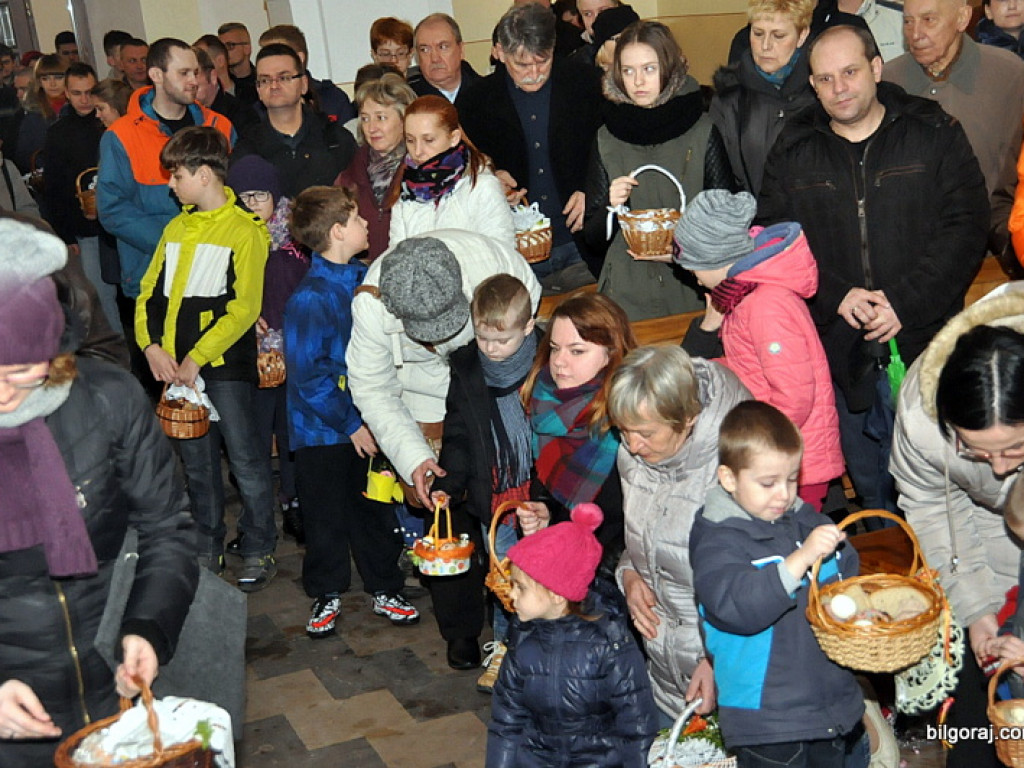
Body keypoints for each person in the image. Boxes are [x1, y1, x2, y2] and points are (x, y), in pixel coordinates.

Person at [758, 24, 989, 519]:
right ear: (812, 85)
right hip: (840, 349)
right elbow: (774, 237)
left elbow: (967, 225)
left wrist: (905, 301)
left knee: (943, 490)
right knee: (873, 495)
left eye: (850, 72)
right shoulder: (793, 147)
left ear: (876, 69)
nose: (839, 88)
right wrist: (834, 295)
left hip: (927, 343)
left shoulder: (933, 131)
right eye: (825, 79)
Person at [0, 215, 197, 768]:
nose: (4, 394)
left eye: (21, 370)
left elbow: (166, 528)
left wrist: (148, 628)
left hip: (119, 689)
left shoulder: (107, 398)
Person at [347, 230, 541, 670]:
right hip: (420, 404)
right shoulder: (371, 305)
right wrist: (414, 457)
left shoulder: (493, 263)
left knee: (495, 510)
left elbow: (524, 330)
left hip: (488, 387)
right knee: (445, 516)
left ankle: (511, 619)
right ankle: (461, 630)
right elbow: (373, 388)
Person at [134, 126, 277, 592]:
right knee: (196, 463)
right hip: (178, 371)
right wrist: (152, 346)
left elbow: (244, 308)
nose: (170, 184)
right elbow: (148, 293)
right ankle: (207, 542)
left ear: (204, 174)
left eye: (176, 175)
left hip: (223, 368)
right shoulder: (176, 228)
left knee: (246, 459)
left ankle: (259, 543)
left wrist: (197, 357)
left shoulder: (245, 231)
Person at [890, 287, 1024, 768]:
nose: (1002, 468)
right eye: (977, 450)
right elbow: (932, 507)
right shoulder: (921, 418)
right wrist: (977, 613)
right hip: (979, 533)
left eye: (1015, 448)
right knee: (977, 727)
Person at [691, 400, 864, 766]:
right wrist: (800, 560)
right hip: (767, 721)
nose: (784, 494)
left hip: (829, 705)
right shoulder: (718, 541)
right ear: (729, 479)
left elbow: (846, 572)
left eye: (791, 479)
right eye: (768, 483)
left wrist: (855, 601)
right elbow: (737, 607)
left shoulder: (806, 521)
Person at [285, 185, 419, 639]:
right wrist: (352, 423)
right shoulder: (311, 298)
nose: (367, 224)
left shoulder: (366, 279)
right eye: (358, 218)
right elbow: (309, 376)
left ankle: (385, 585)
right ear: (338, 232)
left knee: (374, 506)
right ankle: (326, 591)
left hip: (368, 420)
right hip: (322, 431)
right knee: (324, 514)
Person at [675, 190, 843, 512]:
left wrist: (751, 446)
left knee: (789, 537)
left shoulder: (766, 305)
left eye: (693, 266)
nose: (693, 277)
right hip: (775, 455)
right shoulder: (746, 296)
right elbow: (751, 367)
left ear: (716, 259)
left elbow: (794, 396)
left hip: (788, 462)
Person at [607, 345, 749, 721]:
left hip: (732, 677)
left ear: (687, 418)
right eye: (623, 431)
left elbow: (762, 579)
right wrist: (630, 574)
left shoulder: (739, 464)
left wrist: (717, 658)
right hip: (665, 668)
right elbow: (645, 536)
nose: (632, 446)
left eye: (645, 433)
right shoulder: (635, 456)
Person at [430, 274, 540, 693]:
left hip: (540, 486)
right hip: (493, 490)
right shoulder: (467, 368)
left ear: (528, 327)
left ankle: (540, 649)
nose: (491, 349)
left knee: (543, 571)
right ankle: (505, 647)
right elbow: (458, 433)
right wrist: (450, 481)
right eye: (483, 338)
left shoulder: (547, 360)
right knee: (503, 574)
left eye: (502, 340)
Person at [487, 503, 659, 767]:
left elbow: (637, 727)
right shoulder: (522, 640)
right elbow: (506, 723)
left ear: (557, 593)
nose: (511, 594)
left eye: (520, 587)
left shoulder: (610, 645)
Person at [461, 3, 603, 291]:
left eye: (543, 61)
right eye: (522, 65)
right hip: (514, 250)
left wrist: (591, 188)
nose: (535, 73)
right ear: (500, 52)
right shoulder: (474, 101)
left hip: (580, 243)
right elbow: (466, 164)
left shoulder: (586, 83)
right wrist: (490, 178)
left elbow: (611, 147)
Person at [582, 19, 708, 320]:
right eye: (628, 71)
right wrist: (612, 206)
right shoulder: (606, 135)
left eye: (649, 69)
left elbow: (726, 218)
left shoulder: (702, 128)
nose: (638, 81)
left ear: (669, 68)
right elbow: (594, 238)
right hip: (627, 289)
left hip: (692, 286)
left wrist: (684, 253)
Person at [885, 0, 1024, 266]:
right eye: (908, 21)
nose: (915, 34)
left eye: (929, 20)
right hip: (911, 260)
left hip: (995, 255)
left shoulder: (1009, 75)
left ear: (962, 18)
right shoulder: (888, 84)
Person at [97, 37, 234, 303]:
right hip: (155, 275)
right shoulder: (122, 136)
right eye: (183, 73)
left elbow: (233, 194)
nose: (193, 81)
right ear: (156, 75)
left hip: (216, 270)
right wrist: (177, 244)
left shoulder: (219, 126)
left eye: (195, 72)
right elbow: (113, 208)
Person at [517, 292, 637, 567]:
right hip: (566, 562)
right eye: (555, 348)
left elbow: (636, 523)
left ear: (611, 353)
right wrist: (545, 514)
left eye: (576, 351)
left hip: (616, 570)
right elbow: (552, 491)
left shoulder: (629, 420)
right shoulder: (544, 401)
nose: (559, 361)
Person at [225, 154, 307, 551]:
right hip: (251, 355)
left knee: (291, 434)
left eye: (260, 195)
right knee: (254, 437)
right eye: (243, 197)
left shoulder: (297, 240)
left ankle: (295, 501)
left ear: (275, 195)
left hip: (293, 351)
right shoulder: (231, 238)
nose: (252, 204)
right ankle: (255, 518)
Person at [41, 61, 123, 335]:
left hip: (119, 221)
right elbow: (54, 189)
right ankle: (118, 353)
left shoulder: (110, 123)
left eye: (89, 92)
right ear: (66, 93)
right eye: (77, 93)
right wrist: (66, 235)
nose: (84, 99)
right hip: (85, 229)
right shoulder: (58, 133)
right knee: (101, 296)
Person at [708, 0, 817, 197]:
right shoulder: (728, 98)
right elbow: (721, 184)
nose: (766, 46)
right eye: (758, 33)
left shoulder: (823, 90)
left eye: (778, 35)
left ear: (802, 35)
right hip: (751, 214)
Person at [232, 43, 356, 198]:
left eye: (284, 78)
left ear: (303, 84)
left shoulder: (336, 140)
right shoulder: (247, 149)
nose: (274, 86)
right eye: (265, 80)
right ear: (258, 90)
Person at [389, 95, 514, 247]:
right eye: (410, 140)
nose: (417, 151)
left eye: (429, 140)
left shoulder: (482, 186)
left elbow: (502, 251)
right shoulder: (407, 187)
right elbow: (396, 252)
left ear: (454, 138)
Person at [334, 72, 415, 261]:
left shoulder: (422, 172)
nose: (371, 128)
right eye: (365, 118)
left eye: (381, 117)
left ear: (404, 120)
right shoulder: (347, 178)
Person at [258, 24, 355, 124]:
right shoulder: (257, 108)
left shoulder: (333, 98)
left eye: (276, 54)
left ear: (299, 58)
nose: (268, 61)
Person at [407, 14, 481, 105]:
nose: (435, 59)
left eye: (443, 47)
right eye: (425, 50)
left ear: (461, 50)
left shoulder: (489, 92)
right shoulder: (407, 100)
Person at [15, 54, 67, 176]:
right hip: (49, 176)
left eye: (58, 77)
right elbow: (24, 155)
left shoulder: (80, 107)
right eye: (45, 78)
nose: (52, 84)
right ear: (39, 82)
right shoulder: (33, 114)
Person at [193, 45, 257, 139]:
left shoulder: (242, 115)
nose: (188, 81)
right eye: (183, 74)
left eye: (194, 74)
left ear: (213, 77)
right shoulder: (182, 115)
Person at [217, 22, 257, 106]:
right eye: (221, 47)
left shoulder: (261, 80)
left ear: (247, 48)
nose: (224, 52)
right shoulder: (217, 85)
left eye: (230, 46)